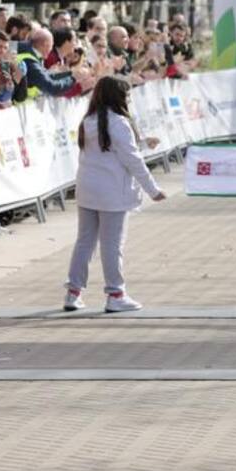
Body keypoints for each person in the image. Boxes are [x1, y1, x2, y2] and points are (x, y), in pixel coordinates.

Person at [63, 76, 165, 314]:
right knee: (112, 245)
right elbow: (132, 159)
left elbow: (111, 148)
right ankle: (116, 294)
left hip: (88, 189)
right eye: (126, 95)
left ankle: (73, 292)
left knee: (84, 242)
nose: (129, 99)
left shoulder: (89, 120)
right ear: (117, 97)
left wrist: (142, 142)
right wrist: (153, 189)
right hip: (111, 192)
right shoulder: (119, 122)